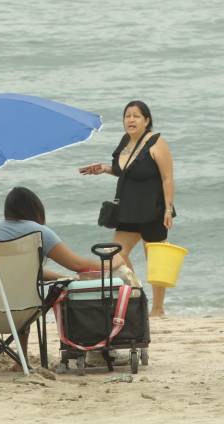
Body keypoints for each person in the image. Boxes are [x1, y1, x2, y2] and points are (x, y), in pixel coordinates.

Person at [0, 186, 127, 372]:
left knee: (3, 294)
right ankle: (21, 361)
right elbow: (77, 264)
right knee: (23, 297)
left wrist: (62, 277)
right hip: (22, 312)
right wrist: (110, 263)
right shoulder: (39, 232)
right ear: (34, 208)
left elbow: (22, 270)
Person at [79, 100, 175, 317]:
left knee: (156, 261)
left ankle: (158, 309)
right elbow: (126, 171)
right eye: (127, 116)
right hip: (129, 210)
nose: (130, 120)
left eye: (136, 116)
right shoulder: (125, 141)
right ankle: (137, 292)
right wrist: (104, 168)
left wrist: (168, 209)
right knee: (114, 254)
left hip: (153, 209)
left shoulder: (157, 142)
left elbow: (167, 178)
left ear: (147, 120)